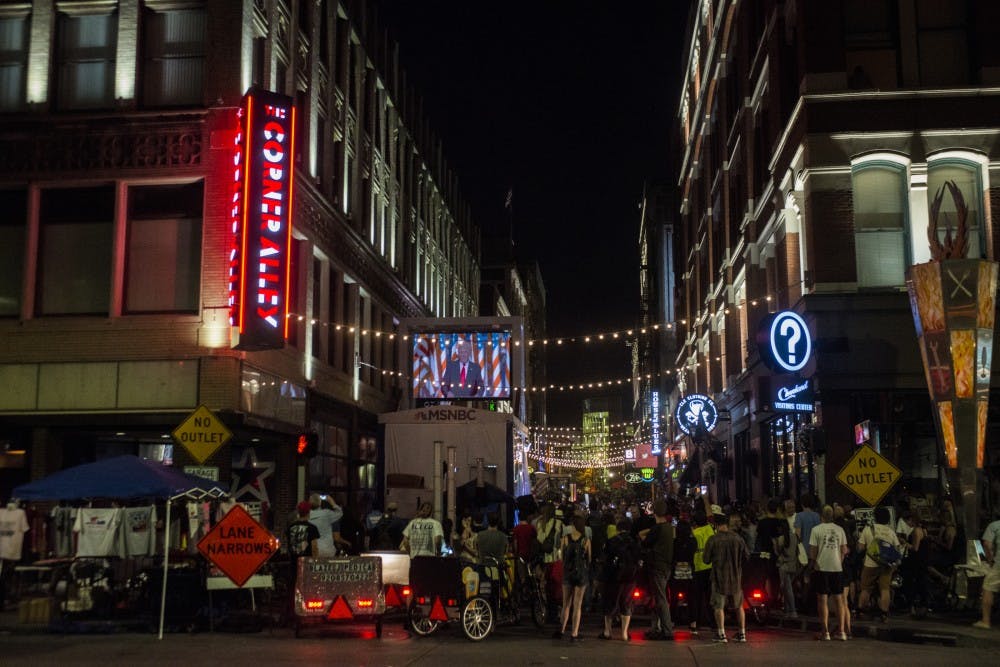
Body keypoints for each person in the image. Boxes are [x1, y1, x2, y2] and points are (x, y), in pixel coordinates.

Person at [702, 510, 749, 643]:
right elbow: (747, 556)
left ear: (716, 525)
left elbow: (706, 560)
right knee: (739, 606)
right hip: (735, 577)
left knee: (719, 607)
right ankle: (742, 634)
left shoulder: (713, 539)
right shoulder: (738, 538)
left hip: (719, 577)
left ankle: (721, 634)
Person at [809, 505, 849, 641]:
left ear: (821, 516)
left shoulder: (816, 530)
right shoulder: (840, 530)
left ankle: (825, 632)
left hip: (822, 567)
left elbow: (813, 551)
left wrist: (813, 563)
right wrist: (839, 560)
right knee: (839, 599)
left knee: (822, 599)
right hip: (837, 567)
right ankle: (841, 631)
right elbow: (844, 550)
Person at [857, 506, 902, 622]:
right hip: (886, 565)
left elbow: (860, 548)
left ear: (875, 517)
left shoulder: (868, 529)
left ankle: (861, 611)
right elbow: (897, 549)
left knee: (866, 588)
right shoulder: (890, 532)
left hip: (870, 564)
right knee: (885, 589)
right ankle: (884, 614)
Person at [639, 498, 676, 640]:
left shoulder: (656, 529)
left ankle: (667, 630)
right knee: (658, 597)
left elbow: (644, 540)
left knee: (660, 599)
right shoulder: (669, 528)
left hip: (657, 566)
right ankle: (656, 627)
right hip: (666, 566)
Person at [600, 518, 640, 641]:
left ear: (618, 529)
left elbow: (605, 558)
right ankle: (624, 633)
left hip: (613, 576)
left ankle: (607, 631)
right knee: (626, 603)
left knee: (610, 602)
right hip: (630, 577)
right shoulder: (634, 542)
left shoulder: (611, 541)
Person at [554, 514, 590, 641]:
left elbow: (562, 557)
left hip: (568, 573)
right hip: (581, 574)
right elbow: (588, 559)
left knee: (566, 604)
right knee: (577, 605)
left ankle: (562, 630)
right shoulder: (586, 540)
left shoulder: (565, 539)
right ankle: (574, 633)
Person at [690, 507, 717, 636]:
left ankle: (696, 623)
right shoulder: (711, 530)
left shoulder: (695, 533)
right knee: (710, 597)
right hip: (710, 566)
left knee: (697, 597)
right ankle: (713, 623)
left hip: (698, 567)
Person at [973, 515, 1000, 629]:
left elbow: (986, 545)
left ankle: (986, 621)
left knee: (988, 589)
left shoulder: (994, 526)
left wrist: (990, 560)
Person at [307, 493, 343, 557]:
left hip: (312, 550)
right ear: (320, 503)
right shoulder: (327, 513)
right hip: (328, 550)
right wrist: (332, 502)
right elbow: (339, 513)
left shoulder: (307, 516)